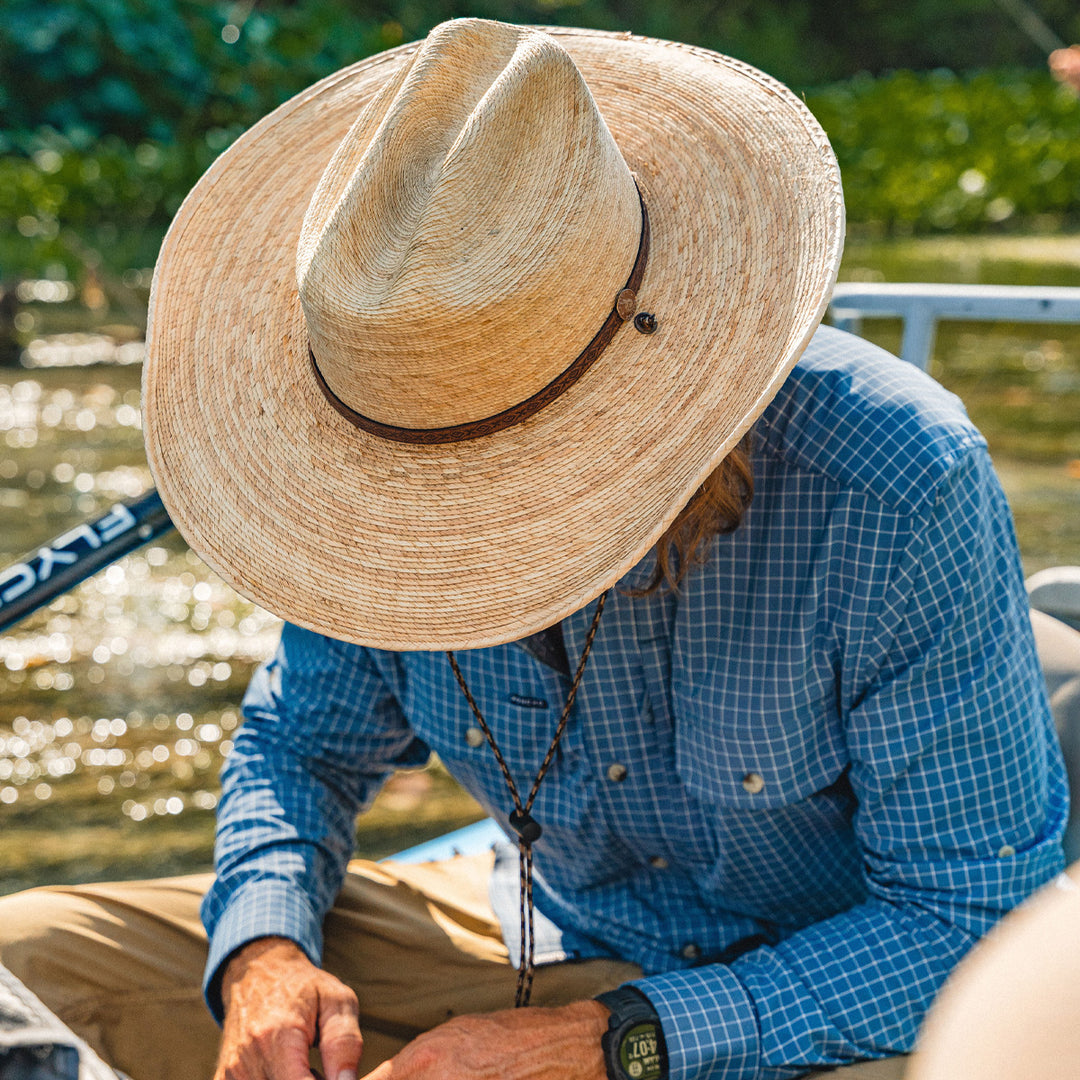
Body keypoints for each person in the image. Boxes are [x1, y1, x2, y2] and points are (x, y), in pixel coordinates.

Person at [0, 17, 1067, 1080]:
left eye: (511, 484)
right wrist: (266, 950)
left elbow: (969, 921)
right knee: (33, 959)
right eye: (442, 480)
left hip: (811, 1001)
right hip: (539, 930)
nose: (470, 531)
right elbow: (299, 748)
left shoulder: (894, 484)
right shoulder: (373, 467)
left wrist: (614, 1043)